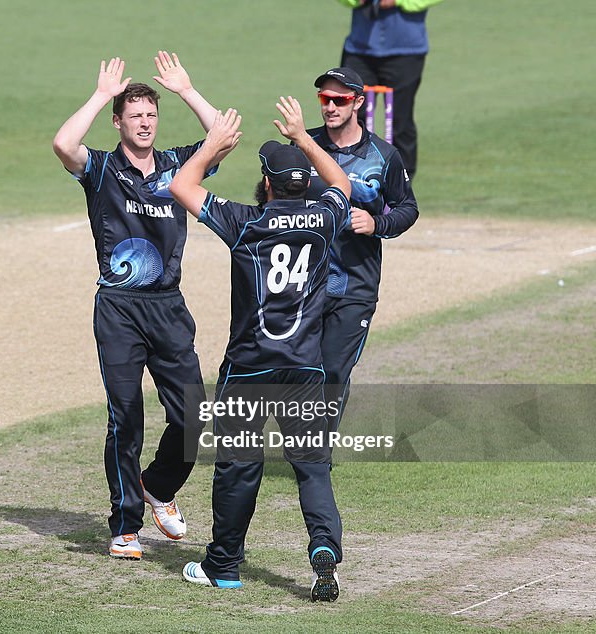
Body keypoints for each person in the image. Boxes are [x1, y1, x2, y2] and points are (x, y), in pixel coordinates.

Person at [169, 99, 351, 600]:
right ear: (304, 183)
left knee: (238, 468)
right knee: (312, 467)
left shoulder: (246, 222)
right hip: (305, 370)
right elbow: (343, 187)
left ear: (267, 183)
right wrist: (307, 139)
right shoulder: (324, 217)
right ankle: (324, 549)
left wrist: (211, 148)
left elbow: (181, 186)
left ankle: (224, 564)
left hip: (250, 369)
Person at [52, 52, 218, 559]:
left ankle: (159, 487)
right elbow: (63, 143)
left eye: (151, 115)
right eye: (135, 116)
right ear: (119, 123)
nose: (145, 123)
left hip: (169, 307)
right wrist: (102, 94)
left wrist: (188, 90)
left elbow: (223, 136)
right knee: (125, 417)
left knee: (193, 416)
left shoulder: (176, 167)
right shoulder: (101, 169)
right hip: (120, 308)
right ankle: (125, 526)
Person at [307, 67, 419, 439]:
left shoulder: (384, 156)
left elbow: (407, 208)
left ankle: (316, 451)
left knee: (335, 370)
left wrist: (377, 224)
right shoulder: (304, 146)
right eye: (325, 99)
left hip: (356, 284)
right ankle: (305, 440)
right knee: (304, 369)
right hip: (305, 280)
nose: (330, 106)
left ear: (358, 103)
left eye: (339, 100)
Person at [336, 0, 444, 180]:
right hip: (359, 51)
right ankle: (346, 181)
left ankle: (402, 189)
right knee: (348, 116)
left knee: (400, 120)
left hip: (406, 51)